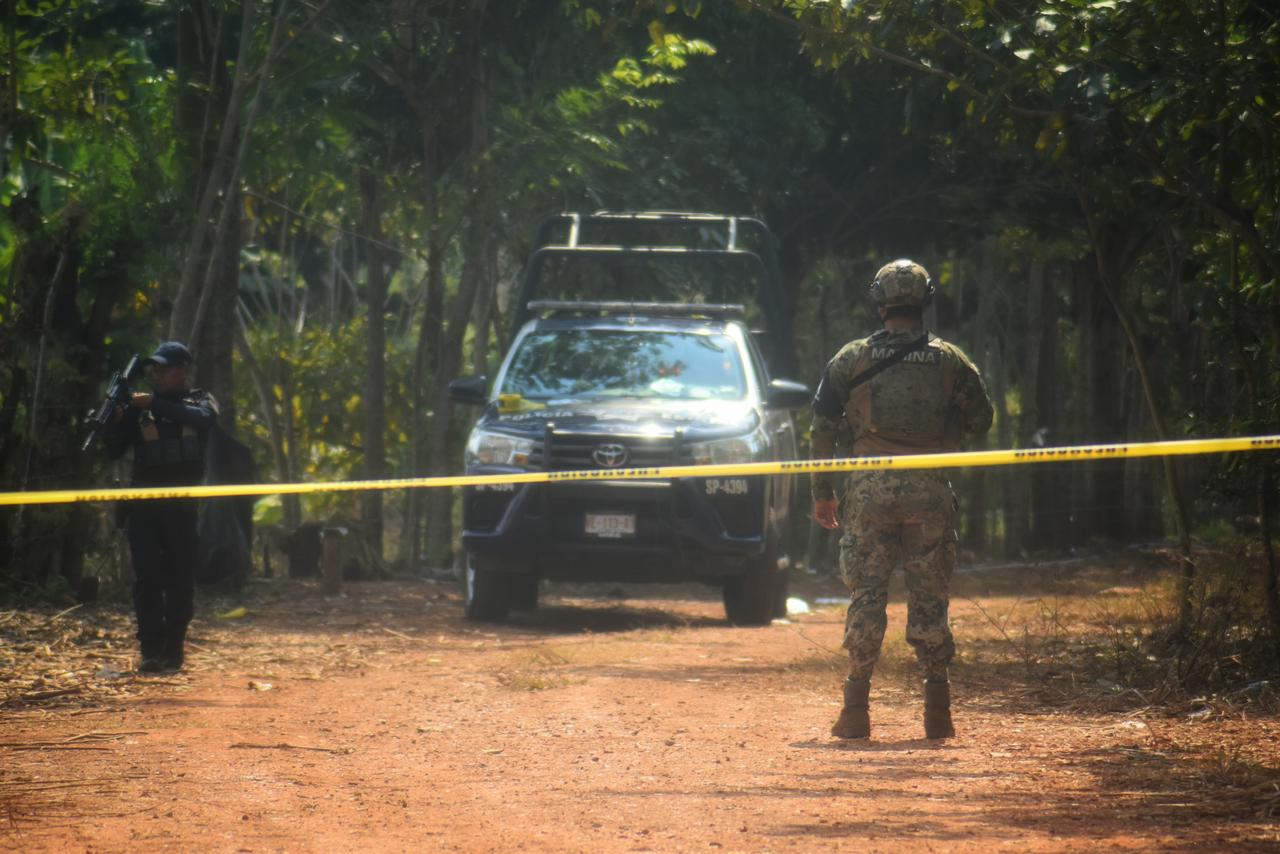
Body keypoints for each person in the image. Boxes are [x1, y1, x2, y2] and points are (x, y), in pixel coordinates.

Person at [810, 260, 993, 739]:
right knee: (930, 596)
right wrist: (940, 441)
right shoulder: (951, 360)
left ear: (879, 301)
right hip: (930, 490)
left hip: (869, 492)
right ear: (925, 299)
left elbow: (822, 427)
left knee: (866, 594)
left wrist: (822, 492)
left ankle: (855, 710)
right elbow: (981, 419)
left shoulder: (851, 358)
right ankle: (938, 710)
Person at [105, 341, 217, 672]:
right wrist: (117, 416)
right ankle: (151, 651)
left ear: (182, 370)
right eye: (155, 369)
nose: (157, 374)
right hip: (144, 507)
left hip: (181, 507)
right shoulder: (140, 407)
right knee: (147, 579)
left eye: (164, 368)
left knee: (180, 580)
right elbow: (113, 449)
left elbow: (203, 420)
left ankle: (174, 649)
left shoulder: (200, 400)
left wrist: (154, 403)